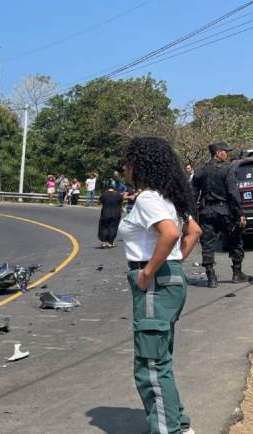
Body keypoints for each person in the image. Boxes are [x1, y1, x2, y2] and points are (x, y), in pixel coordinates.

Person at [118, 137, 201, 434]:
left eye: (127, 163)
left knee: (150, 365)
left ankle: (169, 430)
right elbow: (193, 232)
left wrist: (148, 272)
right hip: (169, 279)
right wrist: (174, 263)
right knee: (159, 359)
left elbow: (169, 234)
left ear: (138, 165)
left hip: (154, 282)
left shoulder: (148, 199)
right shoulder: (168, 198)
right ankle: (178, 425)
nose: (124, 169)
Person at [191, 141, 248, 287]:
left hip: (206, 212)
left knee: (207, 244)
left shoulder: (200, 170)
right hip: (225, 211)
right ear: (218, 153)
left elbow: (193, 194)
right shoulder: (227, 169)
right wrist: (240, 213)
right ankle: (237, 273)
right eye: (225, 152)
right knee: (235, 239)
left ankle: (211, 277)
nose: (227, 155)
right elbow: (233, 193)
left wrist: (191, 215)